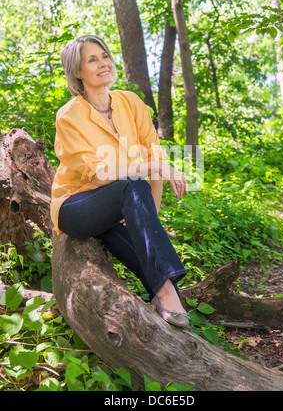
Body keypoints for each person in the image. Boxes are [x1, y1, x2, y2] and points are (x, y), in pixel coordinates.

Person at [50, 34, 190, 328]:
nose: (103, 63)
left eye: (104, 56)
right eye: (92, 59)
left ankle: (164, 293)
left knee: (153, 267)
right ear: (77, 71)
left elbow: (154, 156)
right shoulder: (69, 116)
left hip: (118, 205)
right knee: (130, 183)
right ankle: (165, 291)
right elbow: (99, 174)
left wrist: (142, 213)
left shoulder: (131, 103)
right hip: (77, 206)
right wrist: (149, 172)